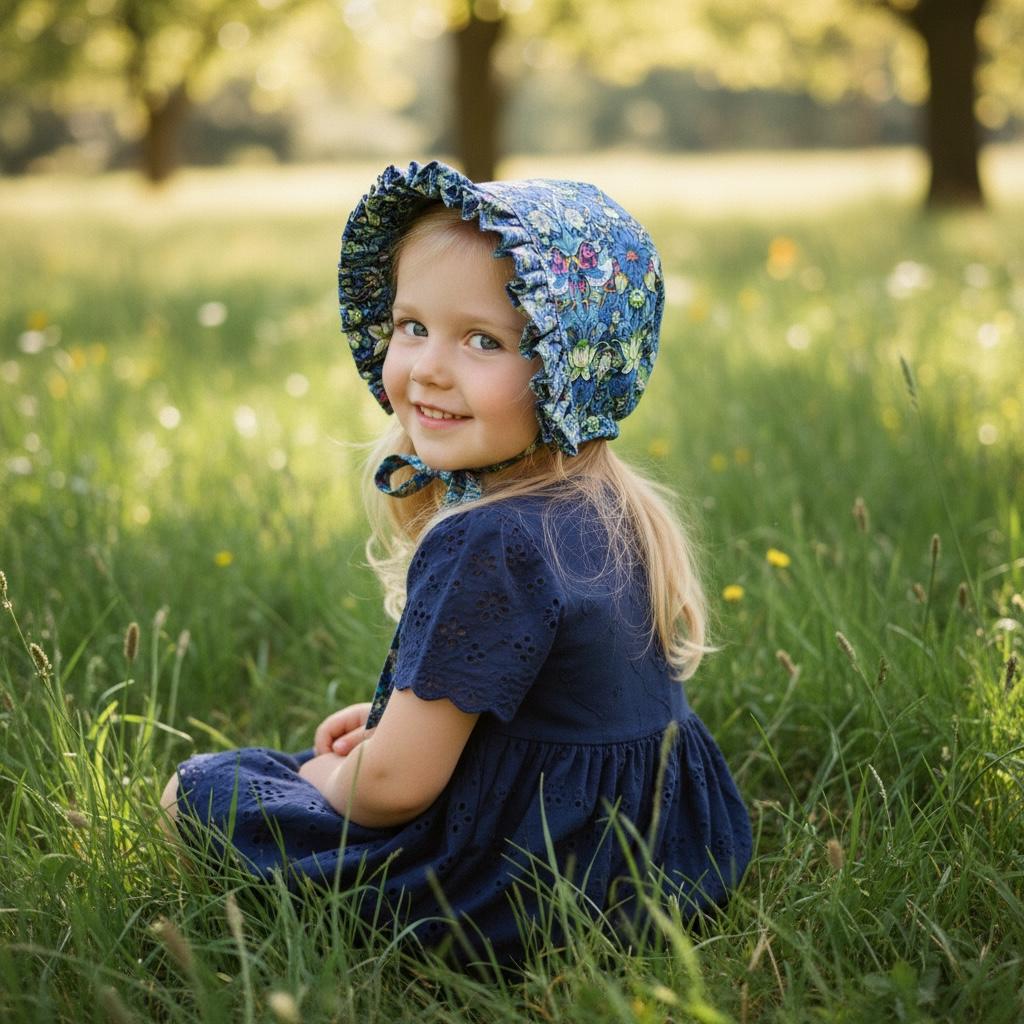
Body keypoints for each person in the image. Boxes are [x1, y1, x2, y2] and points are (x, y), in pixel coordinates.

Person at [160, 159, 752, 966]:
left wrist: (326, 781)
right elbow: (534, 705)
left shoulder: (490, 539)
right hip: (662, 853)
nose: (429, 367)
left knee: (201, 788)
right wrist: (381, 728)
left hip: (527, 881)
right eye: (412, 327)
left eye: (484, 340)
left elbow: (397, 788)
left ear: (569, 369)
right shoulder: (608, 506)